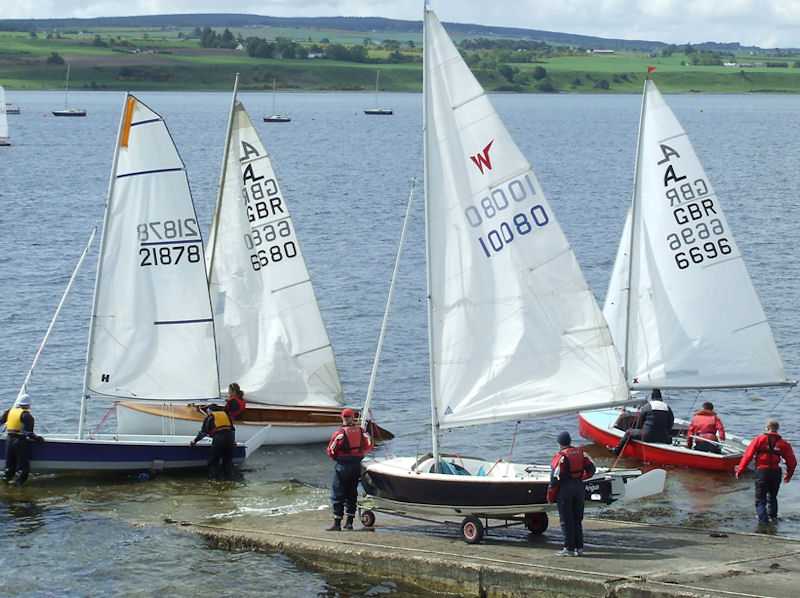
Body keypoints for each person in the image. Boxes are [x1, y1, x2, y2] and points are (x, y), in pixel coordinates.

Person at [735, 419, 796, 525]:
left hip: (762, 472)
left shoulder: (759, 439)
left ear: (767, 428)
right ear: (777, 429)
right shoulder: (783, 443)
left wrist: (740, 470)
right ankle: (773, 518)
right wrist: (788, 475)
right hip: (776, 473)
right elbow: (792, 462)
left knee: (760, 499)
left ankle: (763, 523)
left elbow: (748, 456)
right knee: (772, 497)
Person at [547, 431, 596, 557]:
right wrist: (582, 478)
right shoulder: (580, 453)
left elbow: (554, 479)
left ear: (559, 443)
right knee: (577, 519)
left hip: (566, 490)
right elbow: (592, 469)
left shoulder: (560, 456)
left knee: (566, 520)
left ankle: (569, 548)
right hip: (579, 488)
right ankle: (579, 548)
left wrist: (550, 496)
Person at [325, 408, 373, 531]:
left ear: (344, 418)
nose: (346, 419)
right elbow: (369, 445)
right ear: (353, 418)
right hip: (356, 465)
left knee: (338, 494)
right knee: (352, 493)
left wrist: (338, 458)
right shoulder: (362, 432)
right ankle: (349, 523)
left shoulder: (339, 434)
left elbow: (331, 451)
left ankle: (337, 524)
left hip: (343, 466)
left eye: (345, 417)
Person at [611, 389, 674, 455]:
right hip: (663, 438)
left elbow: (639, 423)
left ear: (652, 397)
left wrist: (637, 431)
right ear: (661, 398)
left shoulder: (647, 407)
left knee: (629, 432)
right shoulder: (668, 408)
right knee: (669, 438)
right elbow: (670, 424)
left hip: (647, 436)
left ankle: (616, 451)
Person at [1, 394, 45, 486]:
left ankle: (6, 480)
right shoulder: (27, 416)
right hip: (19, 441)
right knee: (23, 466)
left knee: (9, 464)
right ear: (27, 405)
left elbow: (1, 421)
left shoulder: (10, 411)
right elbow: (29, 433)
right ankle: (19, 483)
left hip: (9, 439)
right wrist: (38, 439)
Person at [189, 403, 236, 480]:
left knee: (214, 462)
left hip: (219, 440)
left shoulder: (210, 418)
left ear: (210, 412)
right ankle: (230, 479)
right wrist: (233, 441)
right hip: (229, 440)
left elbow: (203, 433)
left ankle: (212, 480)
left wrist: (194, 442)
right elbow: (232, 430)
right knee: (227, 462)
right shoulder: (226, 416)